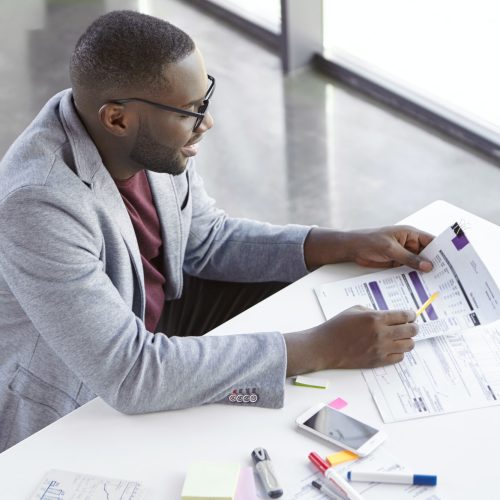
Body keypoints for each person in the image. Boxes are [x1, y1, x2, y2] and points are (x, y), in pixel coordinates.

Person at [0, 10, 433, 453]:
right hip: (86, 388)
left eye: (204, 99)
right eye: (190, 112)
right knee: (310, 352)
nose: (206, 124)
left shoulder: (139, 134)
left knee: (317, 290)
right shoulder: (38, 203)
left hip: (157, 313)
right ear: (116, 119)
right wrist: (322, 347)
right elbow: (131, 375)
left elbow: (207, 240)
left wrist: (344, 242)